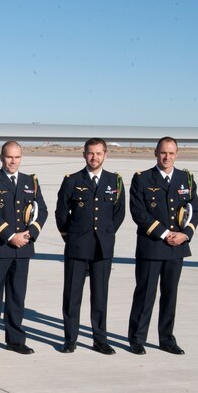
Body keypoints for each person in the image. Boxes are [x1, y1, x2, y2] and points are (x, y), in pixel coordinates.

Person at [127, 136, 198, 355]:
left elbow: (194, 210)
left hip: (176, 248)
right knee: (145, 294)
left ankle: (166, 339)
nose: (167, 157)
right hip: (151, 246)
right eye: (163, 153)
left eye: (171, 153)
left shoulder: (185, 179)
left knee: (170, 295)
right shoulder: (142, 179)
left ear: (176, 154)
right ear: (156, 153)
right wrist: (166, 233)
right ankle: (137, 339)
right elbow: (138, 212)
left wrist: (185, 235)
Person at [55, 138, 125, 354]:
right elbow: (61, 213)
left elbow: (118, 213)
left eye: (98, 153)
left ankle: (100, 339)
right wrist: (71, 237)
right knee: (72, 295)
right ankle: (70, 339)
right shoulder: (72, 180)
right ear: (84, 154)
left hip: (102, 247)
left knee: (100, 295)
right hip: (77, 246)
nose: (94, 157)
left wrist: (106, 233)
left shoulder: (115, 181)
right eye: (90, 153)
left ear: (105, 154)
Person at [0, 141, 47, 355]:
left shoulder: (30, 182)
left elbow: (41, 210)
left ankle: (15, 340)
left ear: (21, 158)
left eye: (16, 157)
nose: (13, 161)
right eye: (9, 157)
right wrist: (11, 236)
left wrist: (30, 234)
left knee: (17, 297)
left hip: (22, 249)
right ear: (1, 157)